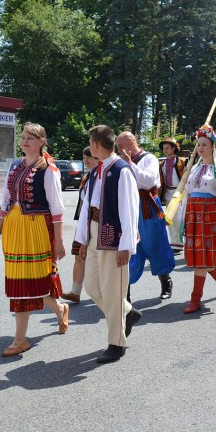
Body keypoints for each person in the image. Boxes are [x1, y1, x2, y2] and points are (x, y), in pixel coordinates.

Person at [0, 123, 69, 357]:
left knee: (36, 281)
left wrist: (59, 241)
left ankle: (20, 339)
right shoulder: (14, 165)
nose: (25, 141)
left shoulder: (49, 169)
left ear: (41, 142)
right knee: (21, 283)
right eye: (24, 137)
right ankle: (58, 311)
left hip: (37, 228)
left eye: (31, 138)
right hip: (15, 228)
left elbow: (57, 209)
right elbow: (5, 201)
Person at [74, 125, 140, 363]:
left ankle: (116, 343)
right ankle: (127, 312)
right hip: (94, 232)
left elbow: (130, 210)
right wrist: (82, 239)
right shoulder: (95, 171)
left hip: (114, 235)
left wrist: (126, 245)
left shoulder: (121, 170)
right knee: (92, 287)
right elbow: (87, 207)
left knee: (113, 292)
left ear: (95, 145)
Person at [176, 125, 216, 313]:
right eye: (198, 144)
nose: (200, 147)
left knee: (202, 260)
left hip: (209, 216)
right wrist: (183, 218)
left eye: (204, 144)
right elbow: (188, 194)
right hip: (194, 216)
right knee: (203, 258)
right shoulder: (194, 168)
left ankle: (195, 299)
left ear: (212, 147)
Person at [116, 131, 174, 303]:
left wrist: (129, 164)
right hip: (128, 206)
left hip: (147, 206)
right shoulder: (120, 161)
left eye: (121, 145)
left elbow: (149, 182)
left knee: (155, 244)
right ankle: (125, 294)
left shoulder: (149, 159)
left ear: (131, 143)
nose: (118, 149)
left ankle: (165, 280)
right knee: (129, 246)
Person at [64, 147, 97, 303]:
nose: (86, 161)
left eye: (89, 157)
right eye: (84, 158)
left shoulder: (104, 176)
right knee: (79, 256)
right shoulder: (86, 177)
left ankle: (103, 293)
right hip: (84, 222)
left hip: (98, 223)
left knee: (98, 259)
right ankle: (75, 292)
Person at [158, 137, 186, 254]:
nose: (165, 150)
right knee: (170, 218)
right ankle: (176, 243)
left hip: (181, 193)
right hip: (169, 193)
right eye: (164, 148)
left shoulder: (183, 161)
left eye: (168, 148)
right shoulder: (161, 164)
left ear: (174, 148)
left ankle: (184, 241)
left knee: (181, 218)